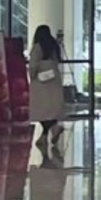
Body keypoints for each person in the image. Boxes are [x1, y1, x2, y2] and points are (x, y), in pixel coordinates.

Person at [29, 25, 66, 153]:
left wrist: (31, 75)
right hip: (53, 80)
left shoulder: (37, 47)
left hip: (40, 83)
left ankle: (51, 131)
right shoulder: (54, 46)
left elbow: (33, 65)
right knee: (51, 110)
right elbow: (57, 61)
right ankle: (46, 134)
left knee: (41, 110)